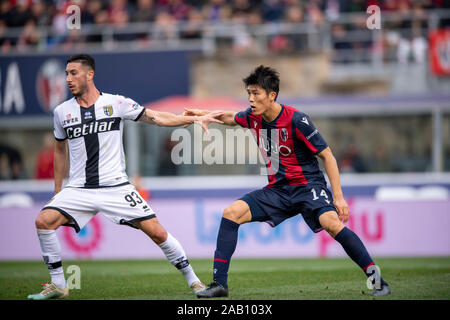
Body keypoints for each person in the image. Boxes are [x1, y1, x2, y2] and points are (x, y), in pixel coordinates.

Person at [184, 65, 391, 298]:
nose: (251, 99)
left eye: (256, 93)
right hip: (278, 191)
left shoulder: (297, 120)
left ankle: (378, 281)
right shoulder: (252, 117)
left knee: (331, 223)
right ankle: (219, 285)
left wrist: (339, 197)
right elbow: (231, 117)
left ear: (272, 95)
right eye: (249, 94)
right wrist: (204, 115)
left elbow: (328, 156)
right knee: (231, 212)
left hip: (308, 187)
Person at [28, 53, 223, 300]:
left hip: (116, 187)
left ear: (90, 74)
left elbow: (156, 117)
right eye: (66, 74)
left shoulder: (116, 103)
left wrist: (194, 118)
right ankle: (58, 285)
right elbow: (59, 149)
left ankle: (195, 282)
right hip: (78, 189)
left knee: (158, 233)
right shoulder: (61, 112)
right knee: (43, 221)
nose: (67, 79)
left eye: (73, 73)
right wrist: (58, 191)